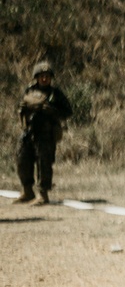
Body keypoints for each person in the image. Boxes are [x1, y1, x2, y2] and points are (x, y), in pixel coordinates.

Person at [14, 61, 73, 205]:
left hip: (46, 134)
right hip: (29, 132)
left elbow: (68, 112)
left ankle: (43, 194)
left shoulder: (55, 94)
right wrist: (22, 109)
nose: (44, 79)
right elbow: (21, 108)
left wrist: (53, 111)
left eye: (47, 76)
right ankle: (28, 191)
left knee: (44, 164)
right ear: (36, 77)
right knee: (22, 160)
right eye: (41, 76)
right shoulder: (29, 90)